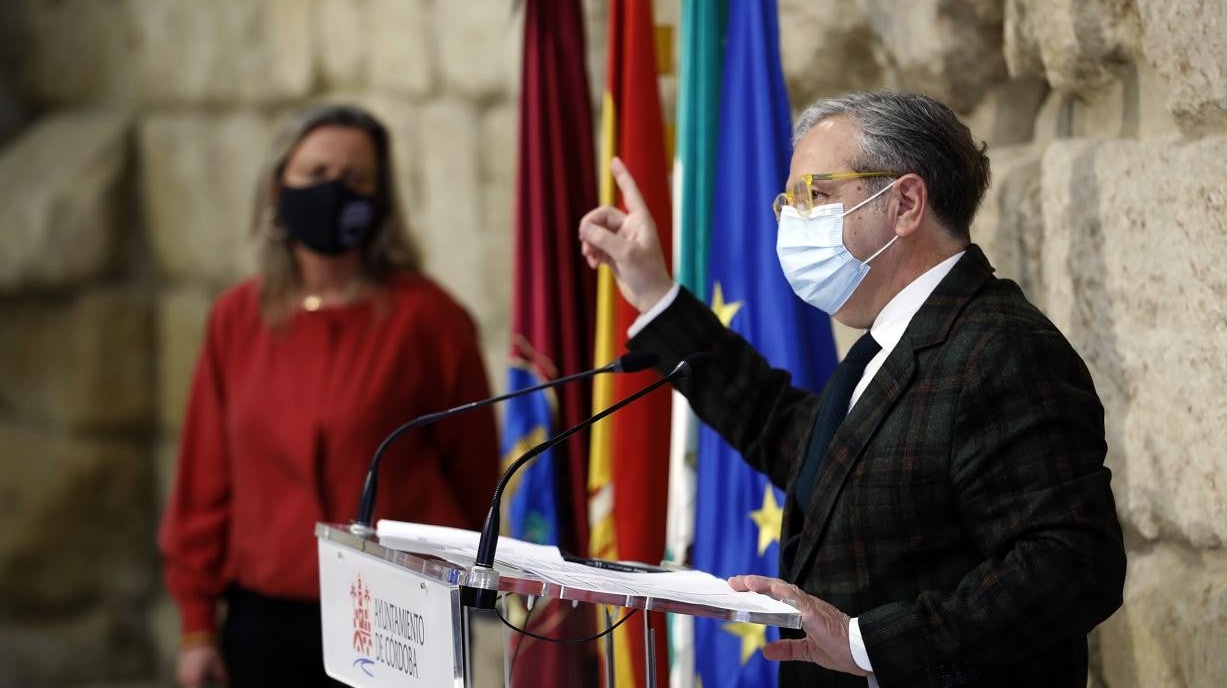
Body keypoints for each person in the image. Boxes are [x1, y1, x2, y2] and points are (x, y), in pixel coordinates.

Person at [579, 91, 1126, 687]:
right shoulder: (888, 343)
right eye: (788, 201)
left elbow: (1074, 564)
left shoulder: (1002, 348)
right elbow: (787, 432)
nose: (793, 219)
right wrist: (655, 295)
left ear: (906, 202)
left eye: (817, 195)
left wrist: (866, 643)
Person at [160, 104, 499, 688]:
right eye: (315, 174)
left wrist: (461, 594)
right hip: (266, 621)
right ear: (278, 188)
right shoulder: (237, 319)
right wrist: (196, 627)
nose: (334, 191)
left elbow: (474, 478)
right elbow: (203, 483)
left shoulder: (430, 320)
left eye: (356, 179)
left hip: (400, 620)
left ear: (381, 200)